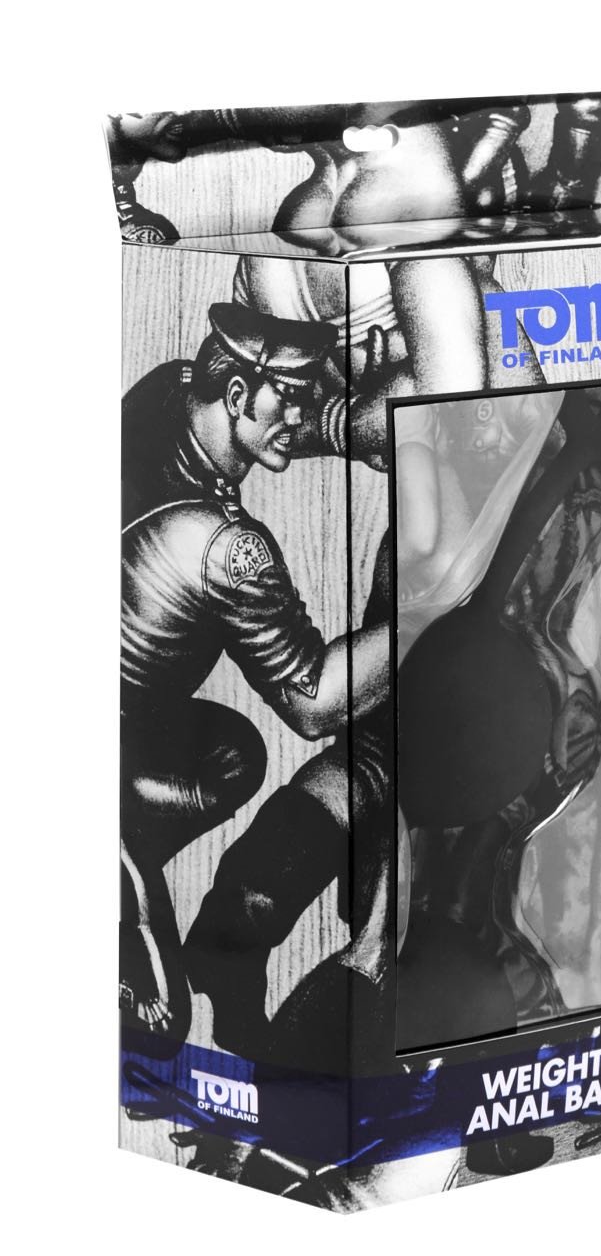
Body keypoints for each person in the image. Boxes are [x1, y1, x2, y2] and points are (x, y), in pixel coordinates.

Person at [121, 302, 390, 1055]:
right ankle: (120, 855)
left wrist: (345, 424)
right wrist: (431, 616)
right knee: (160, 1028)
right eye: (291, 400)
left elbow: (296, 420)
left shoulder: (169, 391)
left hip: (116, 717)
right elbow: (314, 704)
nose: (299, 417)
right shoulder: (228, 549)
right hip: (110, 754)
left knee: (234, 750)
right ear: (237, 394)